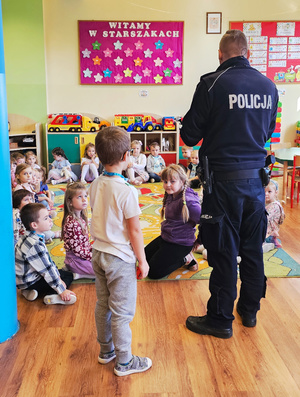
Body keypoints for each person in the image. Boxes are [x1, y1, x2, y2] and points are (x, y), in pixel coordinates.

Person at [180, 29, 279, 338]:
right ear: (247, 53)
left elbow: (189, 136)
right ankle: (249, 311)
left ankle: (220, 319)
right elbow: (265, 135)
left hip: (223, 184)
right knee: (252, 250)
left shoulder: (211, 83)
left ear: (221, 55)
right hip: (255, 183)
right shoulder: (269, 86)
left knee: (223, 250)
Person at [89, 126, 152, 377]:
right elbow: (135, 231)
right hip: (119, 258)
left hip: (98, 253)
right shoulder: (127, 191)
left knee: (103, 304)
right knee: (122, 312)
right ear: (127, 156)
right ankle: (124, 362)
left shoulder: (94, 184)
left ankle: (107, 351)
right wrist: (143, 260)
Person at [145, 164, 201, 279]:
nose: (168, 185)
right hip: (167, 236)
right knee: (144, 257)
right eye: (165, 181)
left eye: (172, 181)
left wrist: (199, 241)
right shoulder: (172, 194)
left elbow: (206, 222)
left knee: (153, 272)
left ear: (182, 181)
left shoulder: (189, 202)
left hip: (180, 243)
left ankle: (186, 258)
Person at [15, 203, 76, 305]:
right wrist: (61, 289)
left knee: (59, 273)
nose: (50, 220)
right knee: (68, 275)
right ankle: (52, 296)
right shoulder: (35, 245)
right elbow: (47, 270)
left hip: (24, 281)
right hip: (30, 281)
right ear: (34, 225)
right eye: (46, 218)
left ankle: (29, 291)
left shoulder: (27, 237)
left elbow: (46, 262)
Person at [61, 182, 95, 279]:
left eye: (85, 196)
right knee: (103, 272)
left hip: (83, 254)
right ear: (70, 202)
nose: (84, 199)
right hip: (76, 259)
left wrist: (93, 250)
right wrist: (92, 256)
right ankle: (78, 273)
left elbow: (84, 243)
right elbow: (77, 250)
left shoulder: (80, 217)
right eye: (79, 197)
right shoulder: (73, 223)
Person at [263, 180, 285, 252]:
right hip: (267, 230)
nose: (266, 194)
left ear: (276, 193)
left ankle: (269, 245)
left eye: (269, 192)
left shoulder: (274, 206)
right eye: (264, 191)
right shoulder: (266, 203)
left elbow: (264, 217)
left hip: (269, 231)